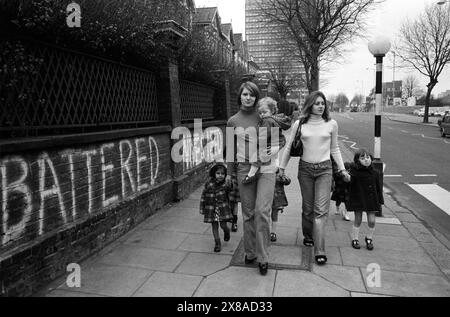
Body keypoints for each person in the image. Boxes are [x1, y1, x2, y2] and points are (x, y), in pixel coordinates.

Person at [279, 91, 350, 265]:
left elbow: (334, 149)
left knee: (320, 211)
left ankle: (320, 250)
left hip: (325, 170)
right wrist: (281, 168)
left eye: (323, 103)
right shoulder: (300, 124)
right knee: (308, 209)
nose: (321, 106)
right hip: (305, 170)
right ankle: (308, 235)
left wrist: (342, 169)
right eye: (317, 103)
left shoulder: (331, 124)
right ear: (310, 104)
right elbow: (289, 147)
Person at [226, 81, 280, 275]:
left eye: (252, 95)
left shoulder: (264, 116)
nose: (248, 98)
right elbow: (230, 150)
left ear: (257, 98)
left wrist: (270, 157)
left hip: (265, 169)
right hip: (243, 169)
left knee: (262, 211)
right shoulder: (233, 121)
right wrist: (229, 174)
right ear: (239, 96)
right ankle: (250, 252)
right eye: (245, 94)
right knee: (248, 214)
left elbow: (277, 141)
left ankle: (263, 256)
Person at [243, 97, 291, 183]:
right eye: (260, 113)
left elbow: (263, 137)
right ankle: (278, 171)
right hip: (276, 143)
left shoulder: (267, 121)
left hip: (270, 143)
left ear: (272, 111)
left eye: (264, 112)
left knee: (258, 156)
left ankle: (250, 175)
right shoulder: (274, 119)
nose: (262, 115)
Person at [346, 149, 384, 250]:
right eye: (362, 158)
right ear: (358, 161)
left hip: (371, 200)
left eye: (368, 157)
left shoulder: (375, 173)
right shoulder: (354, 172)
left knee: (372, 221)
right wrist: (346, 177)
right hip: (359, 199)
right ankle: (355, 239)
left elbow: (378, 187)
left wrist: (380, 200)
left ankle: (369, 238)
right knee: (358, 220)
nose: (366, 160)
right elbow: (349, 183)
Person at [199, 163, 233, 252]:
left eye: (222, 174)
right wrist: (202, 208)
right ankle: (217, 243)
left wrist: (230, 182)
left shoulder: (226, 184)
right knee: (214, 226)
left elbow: (231, 190)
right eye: (218, 173)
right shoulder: (208, 184)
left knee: (223, 225)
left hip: (222, 209)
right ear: (214, 174)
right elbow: (203, 196)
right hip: (211, 209)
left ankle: (226, 231)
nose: (220, 176)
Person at [270, 168, 291, 242]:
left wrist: (281, 176)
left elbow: (288, 181)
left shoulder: (278, 170)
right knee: (264, 213)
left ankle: (273, 232)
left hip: (277, 198)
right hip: (267, 196)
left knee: (274, 214)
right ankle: (265, 230)